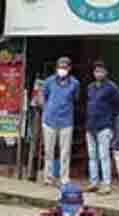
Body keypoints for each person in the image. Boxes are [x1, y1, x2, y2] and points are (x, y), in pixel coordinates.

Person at [85, 61, 119, 195]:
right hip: (90, 126)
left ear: (106, 72)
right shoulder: (90, 87)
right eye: (96, 71)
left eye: (101, 71)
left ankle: (106, 185)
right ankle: (94, 183)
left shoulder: (111, 87)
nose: (98, 73)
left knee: (104, 156)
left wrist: (109, 118)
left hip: (104, 126)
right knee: (92, 157)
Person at [41, 57, 79, 186]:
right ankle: (48, 177)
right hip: (49, 120)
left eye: (65, 67)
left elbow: (75, 98)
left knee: (65, 152)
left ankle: (64, 178)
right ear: (56, 68)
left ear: (69, 68)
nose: (62, 69)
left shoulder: (75, 83)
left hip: (66, 121)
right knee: (48, 151)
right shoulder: (49, 81)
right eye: (60, 67)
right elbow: (44, 97)